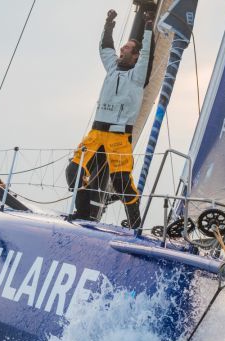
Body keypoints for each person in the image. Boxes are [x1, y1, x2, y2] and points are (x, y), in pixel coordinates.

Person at [66, 5, 155, 229]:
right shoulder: (112, 68)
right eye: (123, 46)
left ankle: (135, 224)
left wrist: (148, 28)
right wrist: (109, 25)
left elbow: (148, 54)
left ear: (135, 57)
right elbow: (105, 47)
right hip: (96, 134)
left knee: (121, 182)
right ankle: (83, 213)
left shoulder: (137, 75)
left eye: (127, 47)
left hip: (118, 137)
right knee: (74, 172)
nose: (122, 49)